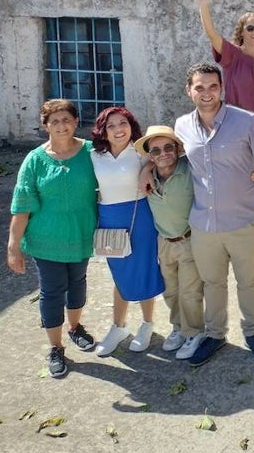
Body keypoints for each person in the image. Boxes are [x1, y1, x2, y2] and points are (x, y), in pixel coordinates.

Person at [170, 62, 254, 367]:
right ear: (189, 91)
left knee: (248, 280)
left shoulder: (247, 122)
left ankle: (253, 332)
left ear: (221, 88)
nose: (207, 93)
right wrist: (147, 168)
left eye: (213, 86)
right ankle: (215, 335)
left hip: (243, 220)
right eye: (199, 87)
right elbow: (171, 158)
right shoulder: (182, 126)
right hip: (203, 223)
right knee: (212, 282)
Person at [8, 100, 99, 379]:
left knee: (78, 283)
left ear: (75, 122)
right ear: (45, 125)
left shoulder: (91, 152)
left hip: (82, 234)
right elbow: (22, 205)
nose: (62, 125)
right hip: (46, 240)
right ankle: (56, 347)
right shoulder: (35, 160)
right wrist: (14, 247)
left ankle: (75, 328)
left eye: (66, 119)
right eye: (55, 121)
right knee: (52, 291)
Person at [193, 0, 254, 241]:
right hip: (237, 120)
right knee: (242, 171)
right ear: (242, 31)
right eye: (250, 27)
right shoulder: (231, 54)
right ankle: (245, 221)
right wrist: (204, 5)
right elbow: (211, 33)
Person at [91, 106, 163, 357]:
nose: (118, 129)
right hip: (109, 218)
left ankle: (147, 324)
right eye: (111, 125)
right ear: (103, 131)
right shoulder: (94, 156)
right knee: (119, 273)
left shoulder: (141, 151)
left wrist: (146, 168)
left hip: (139, 216)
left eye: (123, 123)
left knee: (144, 269)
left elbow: (160, 161)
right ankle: (118, 326)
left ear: (131, 126)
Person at [137, 125, 204, 361]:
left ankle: (195, 332)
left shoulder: (191, 169)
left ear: (177, 149)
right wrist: (146, 168)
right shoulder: (147, 174)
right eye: (156, 151)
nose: (163, 153)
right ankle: (178, 327)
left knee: (190, 292)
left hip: (189, 240)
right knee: (171, 291)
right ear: (150, 156)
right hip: (163, 241)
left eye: (168, 147)